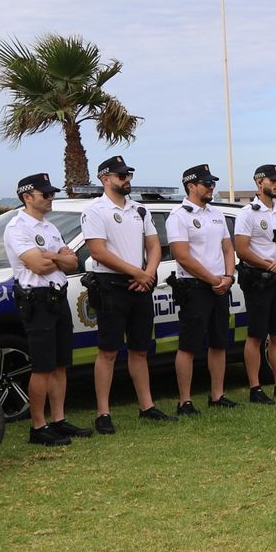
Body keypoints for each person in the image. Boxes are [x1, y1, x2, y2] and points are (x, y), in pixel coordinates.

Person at [81, 155, 175, 433]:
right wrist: (137, 272)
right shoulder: (95, 210)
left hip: (140, 284)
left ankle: (147, 406)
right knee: (108, 351)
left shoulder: (139, 209)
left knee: (140, 349)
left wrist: (149, 272)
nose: (127, 180)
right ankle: (103, 413)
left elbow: (154, 246)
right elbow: (98, 251)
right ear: (105, 179)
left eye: (129, 175)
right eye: (121, 176)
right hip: (111, 285)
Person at [7, 173, 86, 445]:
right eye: (45, 194)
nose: (51, 198)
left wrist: (52, 256)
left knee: (60, 364)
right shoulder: (18, 227)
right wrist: (58, 258)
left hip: (57, 296)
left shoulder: (50, 228)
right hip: (37, 300)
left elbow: (73, 262)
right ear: (27, 197)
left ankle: (59, 420)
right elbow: (37, 267)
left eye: (51, 193)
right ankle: (38, 427)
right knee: (42, 366)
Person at [166, 164, 237, 415]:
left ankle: (217, 395)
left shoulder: (216, 214)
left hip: (219, 286)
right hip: (195, 287)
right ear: (191, 186)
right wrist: (213, 280)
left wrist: (227, 276)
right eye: (207, 184)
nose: (211, 188)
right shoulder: (179, 216)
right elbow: (182, 256)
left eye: (213, 183)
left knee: (219, 343)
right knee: (188, 345)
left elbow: (228, 248)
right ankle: (185, 401)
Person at [235, 164, 276, 404]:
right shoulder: (248, 213)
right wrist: (270, 266)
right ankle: (255, 388)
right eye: (272, 180)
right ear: (258, 182)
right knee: (255, 335)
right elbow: (241, 249)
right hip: (259, 282)